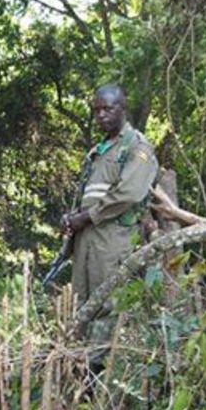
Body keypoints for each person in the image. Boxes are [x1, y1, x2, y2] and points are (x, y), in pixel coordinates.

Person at [62, 83, 158, 364]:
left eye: (108, 108)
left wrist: (85, 217)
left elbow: (129, 193)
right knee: (80, 307)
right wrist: (71, 217)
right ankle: (77, 371)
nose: (101, 115)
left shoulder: (137, 147)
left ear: (122, 108)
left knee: (107, 307)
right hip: (86, 241)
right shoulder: (98, 151)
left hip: (113, 240)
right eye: (97, 110)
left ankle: (98, 375)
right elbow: (88, 195)